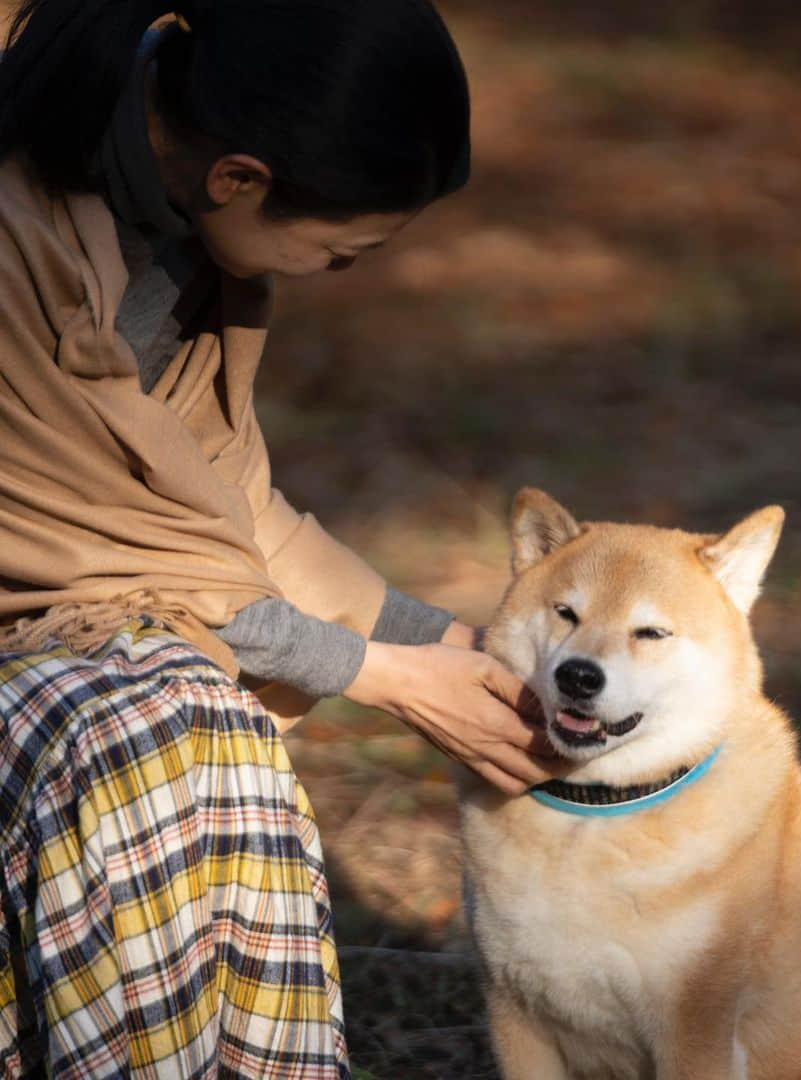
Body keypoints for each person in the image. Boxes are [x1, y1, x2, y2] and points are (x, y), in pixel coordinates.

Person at [0, 2, 564, 1075]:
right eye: (342, 251)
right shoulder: (18, 244)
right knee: (151, 735)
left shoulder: (179, 238)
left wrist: (445, 643)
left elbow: (225, 519)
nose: (338, 274)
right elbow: (108, 557)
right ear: (241, 178)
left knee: (191, 720)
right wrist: (381, 675)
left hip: (97, 632)